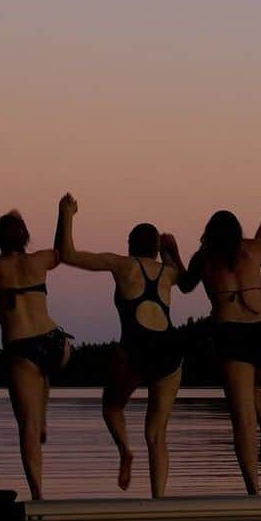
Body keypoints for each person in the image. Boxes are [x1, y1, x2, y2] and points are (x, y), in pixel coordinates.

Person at [162, 199, 261, 495]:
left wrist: (171, 252)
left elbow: (186, 285)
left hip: (230, 332)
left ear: (209, 233)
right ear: (237, 231)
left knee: (241, 418)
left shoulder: (204, 258)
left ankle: (254, 491)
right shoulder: (252, 248)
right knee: (251, 387)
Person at [54, 193, 182, 497]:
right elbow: (185, 278)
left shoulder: (120, 264)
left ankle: (125, 450)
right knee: (157, 434)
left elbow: (68, 254)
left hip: (136, 349)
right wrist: (171, 250)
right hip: (169, 350)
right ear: (155, 247)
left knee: (112, 407)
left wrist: (66, 213)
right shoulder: (169, 273)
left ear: (130, 244)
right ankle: (159, 500)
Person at [0, 207, 72, 500]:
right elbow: (62, 251)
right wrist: (64, 216)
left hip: (21, 349)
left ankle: (38, 493)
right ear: (25, 238)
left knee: (27, 426)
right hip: (57, 345)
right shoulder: (39, 261)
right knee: (43, 376)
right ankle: (44, 416)